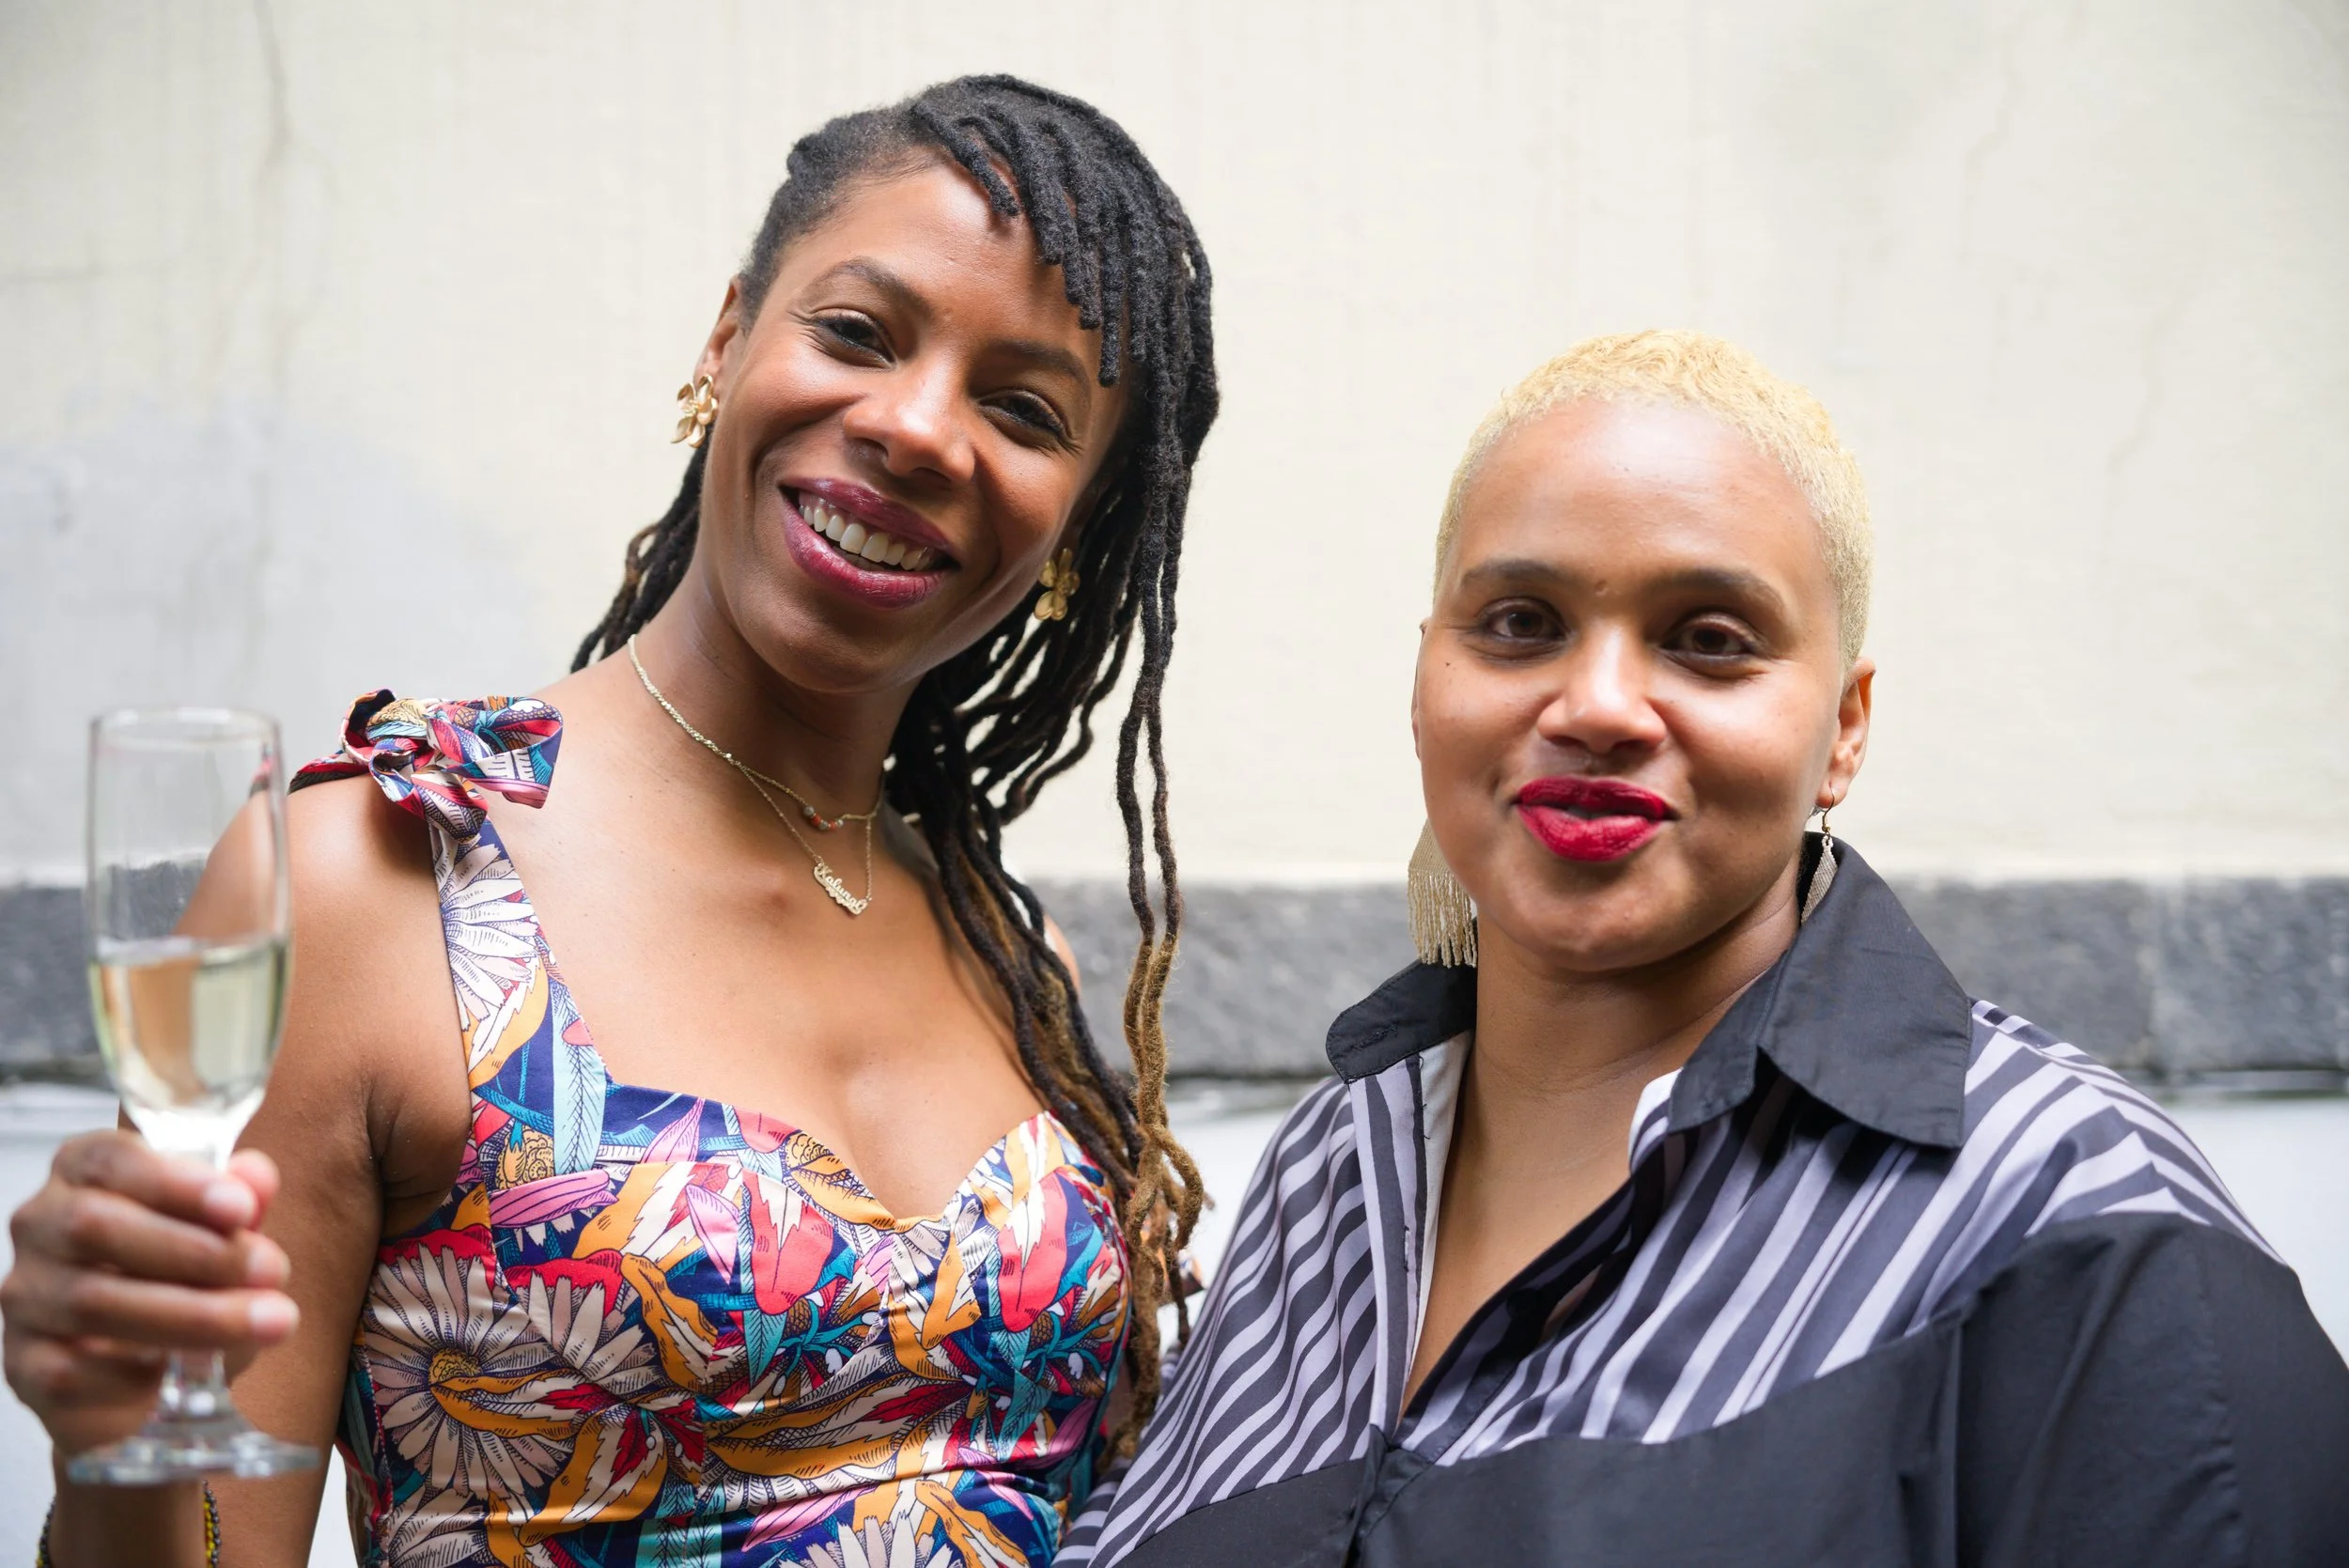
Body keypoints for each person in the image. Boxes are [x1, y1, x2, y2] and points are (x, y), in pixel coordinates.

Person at [3, 76, 1217, 1568]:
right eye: (857, 331)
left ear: (1079, 533)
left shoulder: (1014, 968)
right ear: (727, 341)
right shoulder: (381, 882)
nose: (915, 427)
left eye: (1022, 410)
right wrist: (116, 1441)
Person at [1063, 332, 2349, 1566]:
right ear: (1427, 677)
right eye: (1520, 622)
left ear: (1843, 730)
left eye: (1710, 641)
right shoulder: (1329, 1179)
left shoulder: (2080, 1228)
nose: (1600, 706)